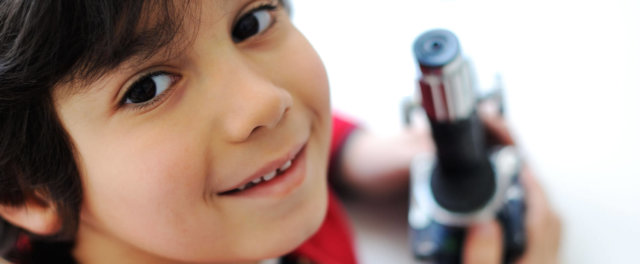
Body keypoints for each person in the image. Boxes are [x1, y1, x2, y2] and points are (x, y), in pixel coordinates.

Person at [0, 0, 560, 263]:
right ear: (25, 189)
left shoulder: (230, 203)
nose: (266, 101)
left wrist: (350, 154)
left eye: (252, 22)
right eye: (147, 87)